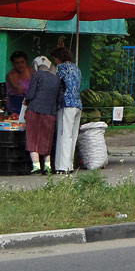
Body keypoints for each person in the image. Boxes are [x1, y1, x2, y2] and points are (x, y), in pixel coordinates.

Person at [23, 56, 59, 174]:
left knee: (33, 137)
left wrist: (25, 101)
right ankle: (48, 166)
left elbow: (30, 94)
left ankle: (36, 165)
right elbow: (59, 97)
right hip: (50, 112)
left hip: (34, 110)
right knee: (46, 138)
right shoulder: (56, 78)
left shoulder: (37, 75)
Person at [52, 41, 82, 174]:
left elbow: (55, 83)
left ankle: (62, 166)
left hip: (66, 104)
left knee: (64, 134)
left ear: (58, 58)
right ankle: (69, 164)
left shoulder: (60, 68)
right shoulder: (76, 68)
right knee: (73, 135)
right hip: (77, 104)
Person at [4, 51, 31, 118]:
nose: (20, 65)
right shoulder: (11, 75)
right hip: (14, 103)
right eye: (17, 63)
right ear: (13, 64)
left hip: (28, 101)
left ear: (26, 62)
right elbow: (19, 89)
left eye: (22, 62)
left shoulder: (30, 71)